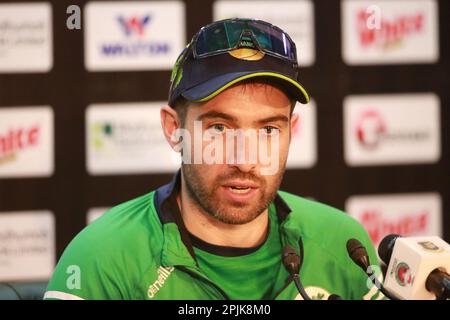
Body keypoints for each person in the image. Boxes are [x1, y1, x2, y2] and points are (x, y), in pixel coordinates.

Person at [44, 18, 382, 300]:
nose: (246, 161)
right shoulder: (99, 259)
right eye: (219, 128)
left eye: (267, 131)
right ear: (173, 129)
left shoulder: (345, 243)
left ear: (291, 132)